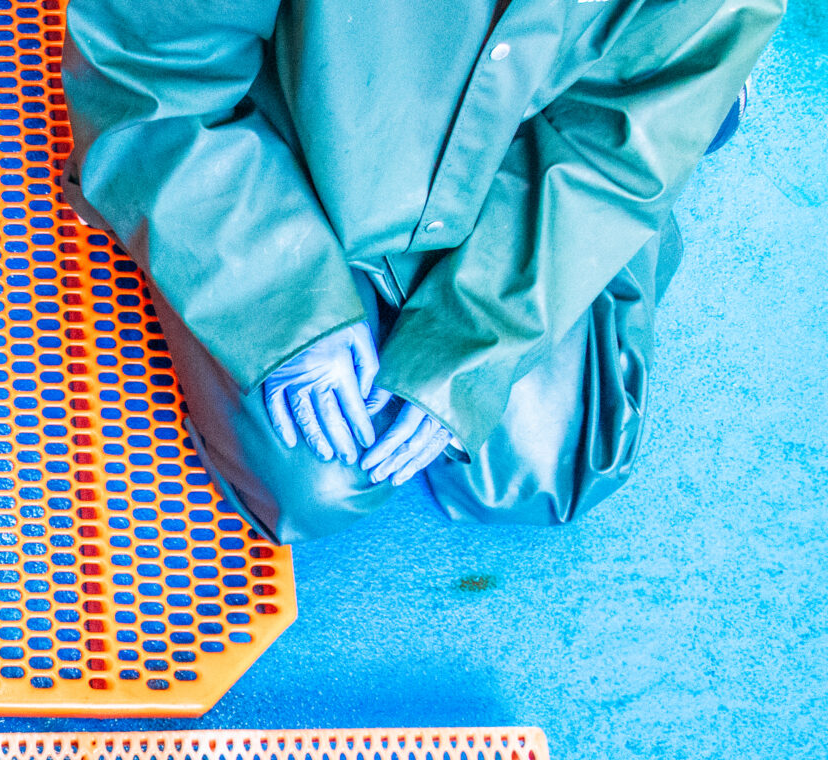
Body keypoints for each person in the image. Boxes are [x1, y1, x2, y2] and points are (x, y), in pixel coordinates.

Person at [61, 0, 779, 541]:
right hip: (312, 130)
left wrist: (475, 347)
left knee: (542, 472)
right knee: (317, 483)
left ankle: (710, 94)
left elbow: (609, 156)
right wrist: (282, 306)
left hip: (521, 143)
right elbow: (152, 79)